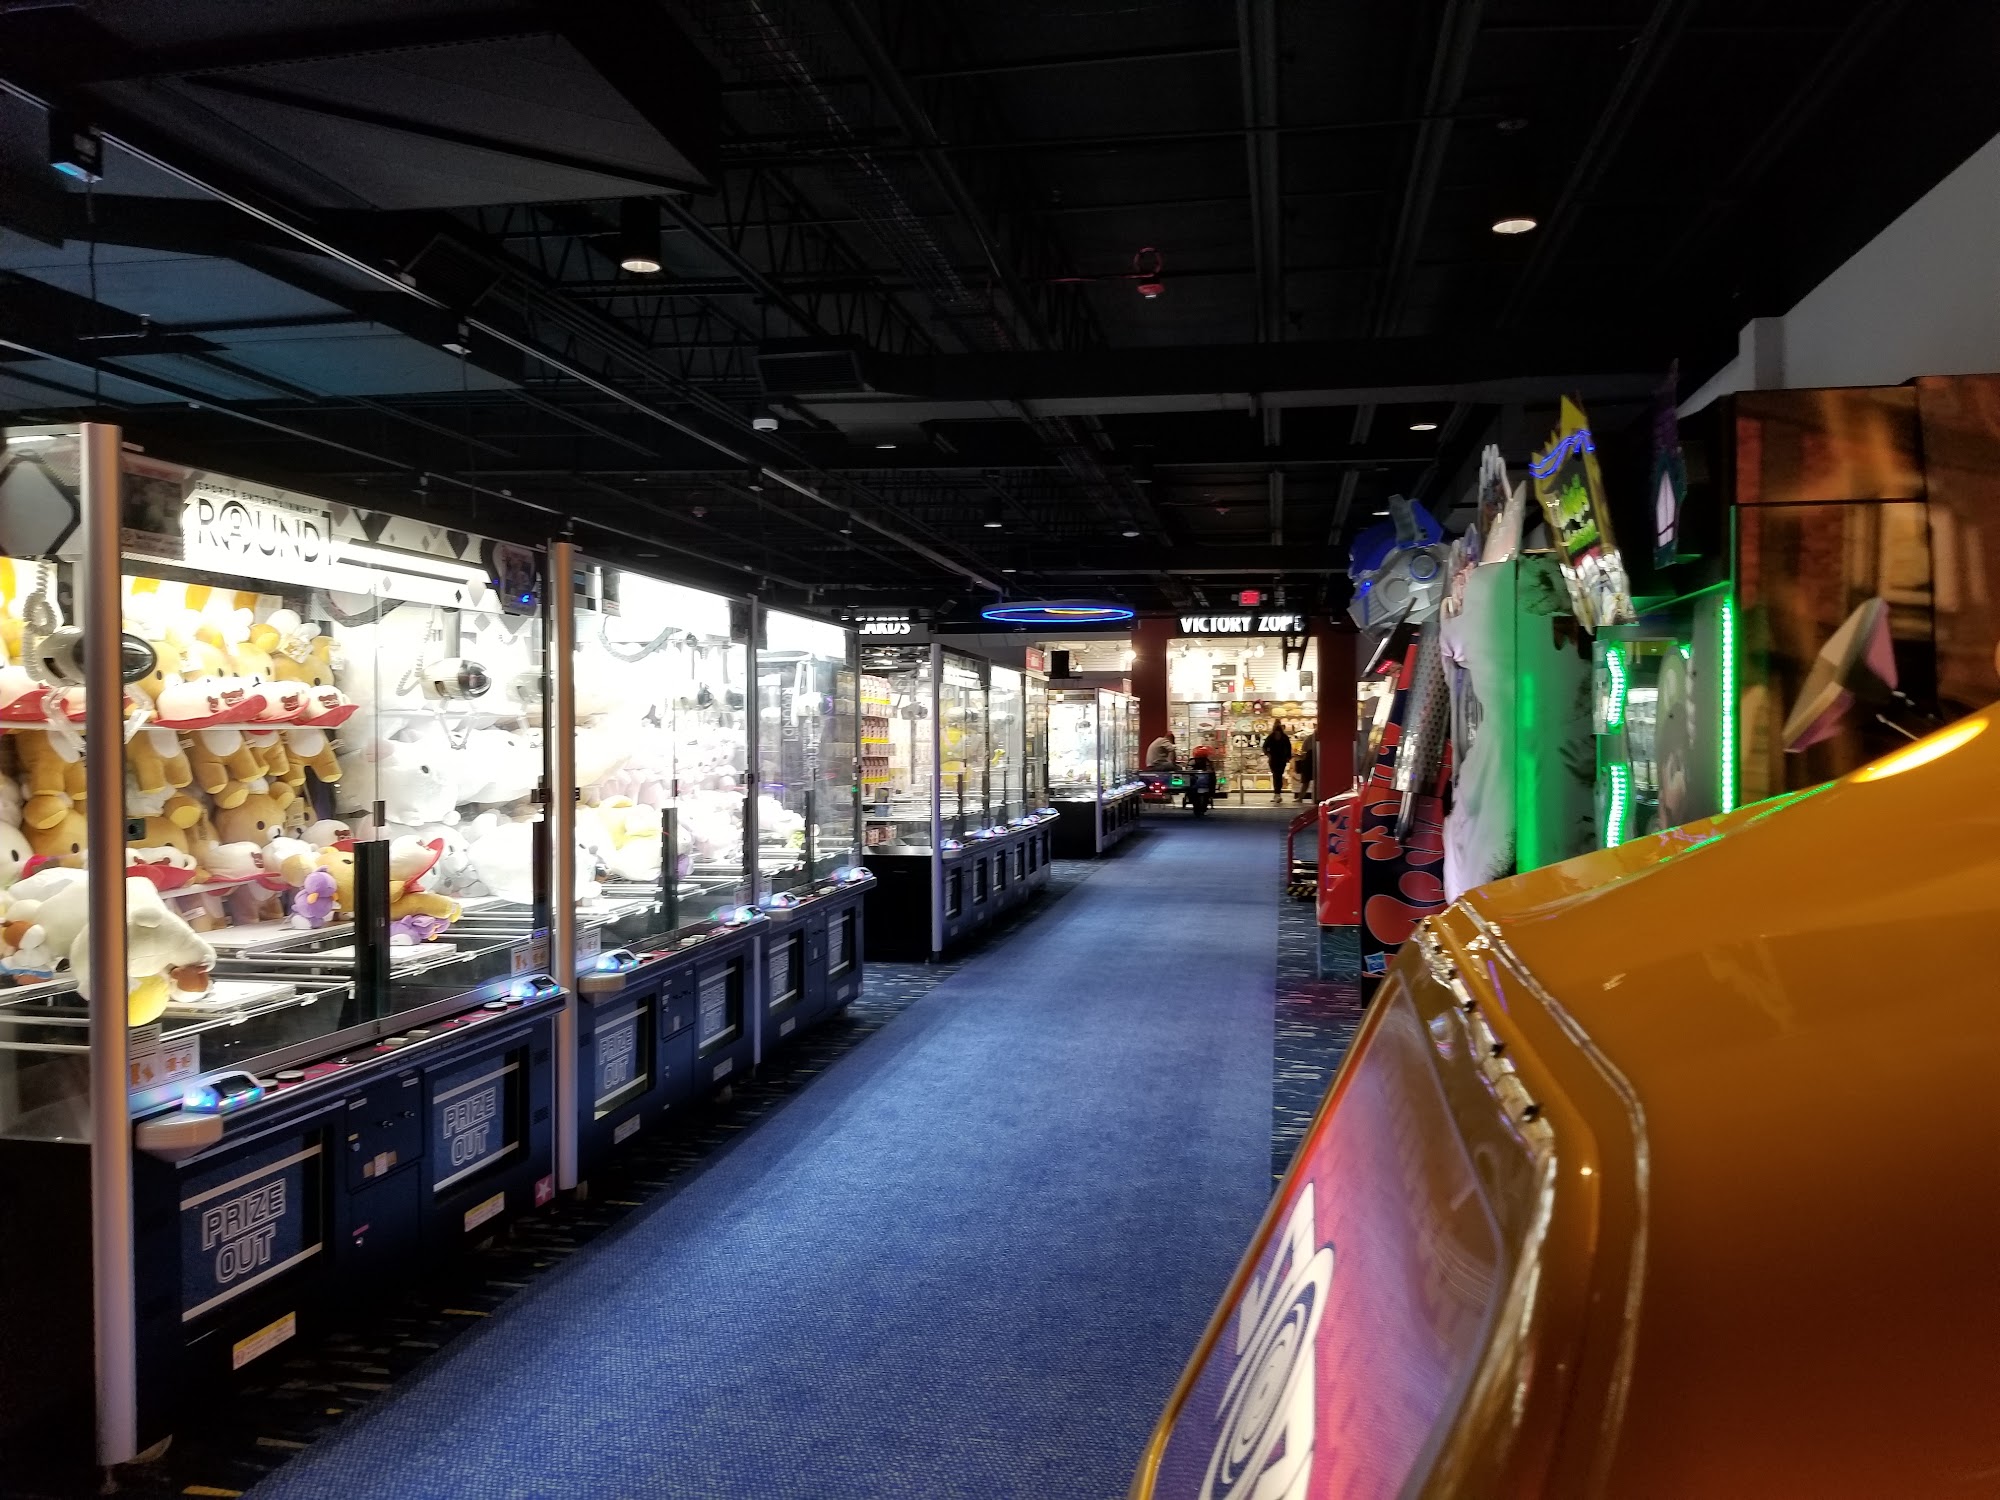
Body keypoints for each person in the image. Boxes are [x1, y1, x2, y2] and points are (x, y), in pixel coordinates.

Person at [1262, 719, 1293, 803]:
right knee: (1278, 775)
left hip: (1275, 759)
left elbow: (1264, 747)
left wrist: (1268, 754)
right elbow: (1289, 747)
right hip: (1279, 759)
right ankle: (1277, 793)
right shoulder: (1284, 737)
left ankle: (1277, 793)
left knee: (1276, 776)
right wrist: (1288, 757)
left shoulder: (1271, 736)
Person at [1294, 730, 1315, 803]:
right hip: (1315, 762)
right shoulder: (1316, 738)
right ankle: (1315, 796)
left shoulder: (1309, 738)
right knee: (1316, 781)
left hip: (1307, 762)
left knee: (1305, 782)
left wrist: (1299, 756)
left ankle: (1300, 798)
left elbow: (1304, 751)